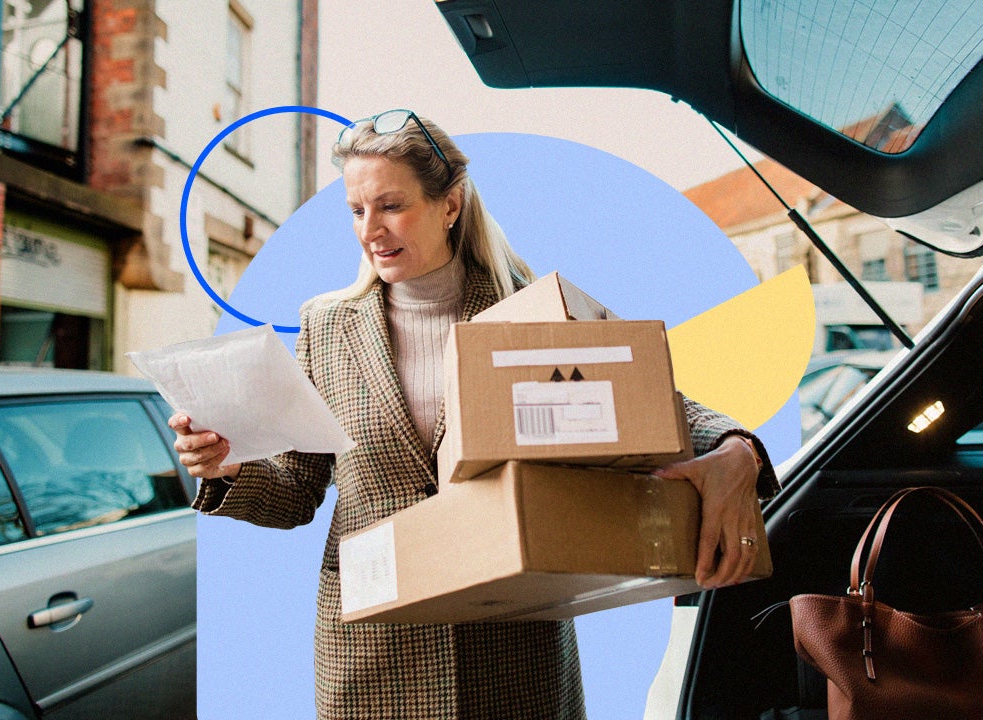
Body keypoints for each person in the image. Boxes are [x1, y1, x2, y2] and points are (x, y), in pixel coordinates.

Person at [169, 109, 779, 720]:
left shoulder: (529, 306)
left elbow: (645, 395)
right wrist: (227, 468)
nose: (370, 230)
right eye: (357, 211)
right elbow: (297, 490)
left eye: (390, 205)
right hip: (375, 657)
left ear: (450, 204)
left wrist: (735, 448)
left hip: (512, 648)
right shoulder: (326, 329)